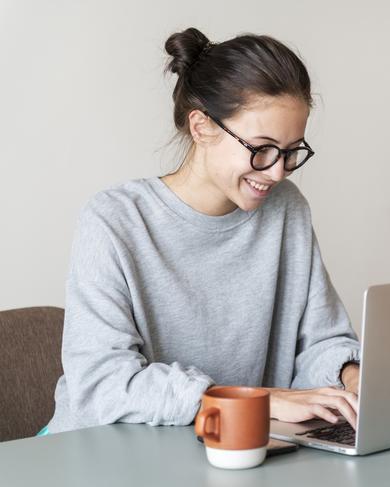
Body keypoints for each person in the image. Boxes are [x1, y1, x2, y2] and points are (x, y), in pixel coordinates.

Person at [41, 27, 360, 436]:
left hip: (227, 444)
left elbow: (320, 342)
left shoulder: (286, 210)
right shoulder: (114, 220)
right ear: (201, 127)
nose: (277, 171)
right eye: (260, 148)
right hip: (100, 449)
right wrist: (258, 401)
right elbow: (103, 386)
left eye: (291, 152)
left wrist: (351, 377)